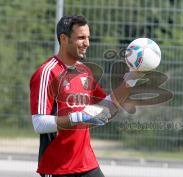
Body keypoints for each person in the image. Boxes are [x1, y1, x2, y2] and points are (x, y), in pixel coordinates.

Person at [30, 15, 143, 177]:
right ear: (63, 39)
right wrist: (78, 117)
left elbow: (107, 109)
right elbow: (39, 124)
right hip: (57, 168)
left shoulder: (85, 71)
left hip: (87, 164)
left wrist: (131, 79)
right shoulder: (47, 73)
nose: (87, 43)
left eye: (88, 37)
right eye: (81, 38)